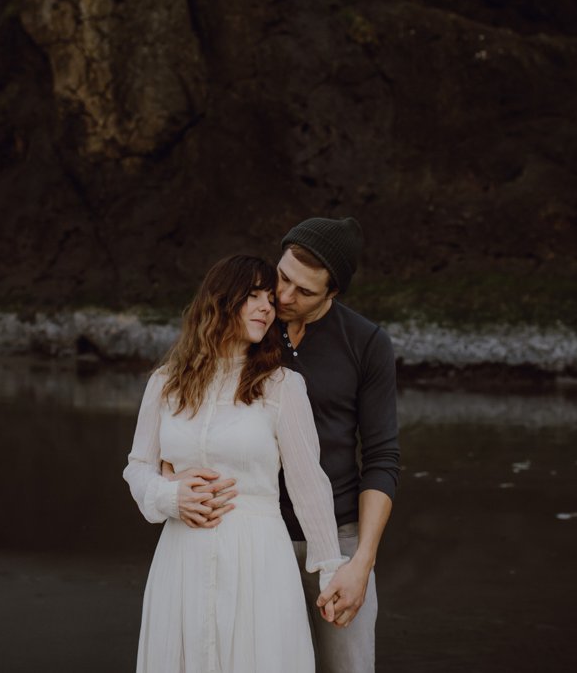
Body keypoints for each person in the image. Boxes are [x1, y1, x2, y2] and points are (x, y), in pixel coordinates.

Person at [167, 217, 400, 673]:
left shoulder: (366, 343)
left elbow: (382, 459)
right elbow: (187, 412)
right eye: (283, 277)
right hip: (251, 540)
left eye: (305, 292)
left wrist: (361, 563)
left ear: (332, 294)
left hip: (338, 540)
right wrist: (171, 483)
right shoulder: (246, 325)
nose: (285, 298)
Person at [123, 254, 348, 672]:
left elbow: (308, 484)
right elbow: (138, 465)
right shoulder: (166, 382)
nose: (268, 306)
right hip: (181, 558)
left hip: (258, 559)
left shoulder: (282, 386)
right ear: (221, 301)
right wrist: (169, 496)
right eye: (253, 296)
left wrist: (331, 567)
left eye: (269, 297)